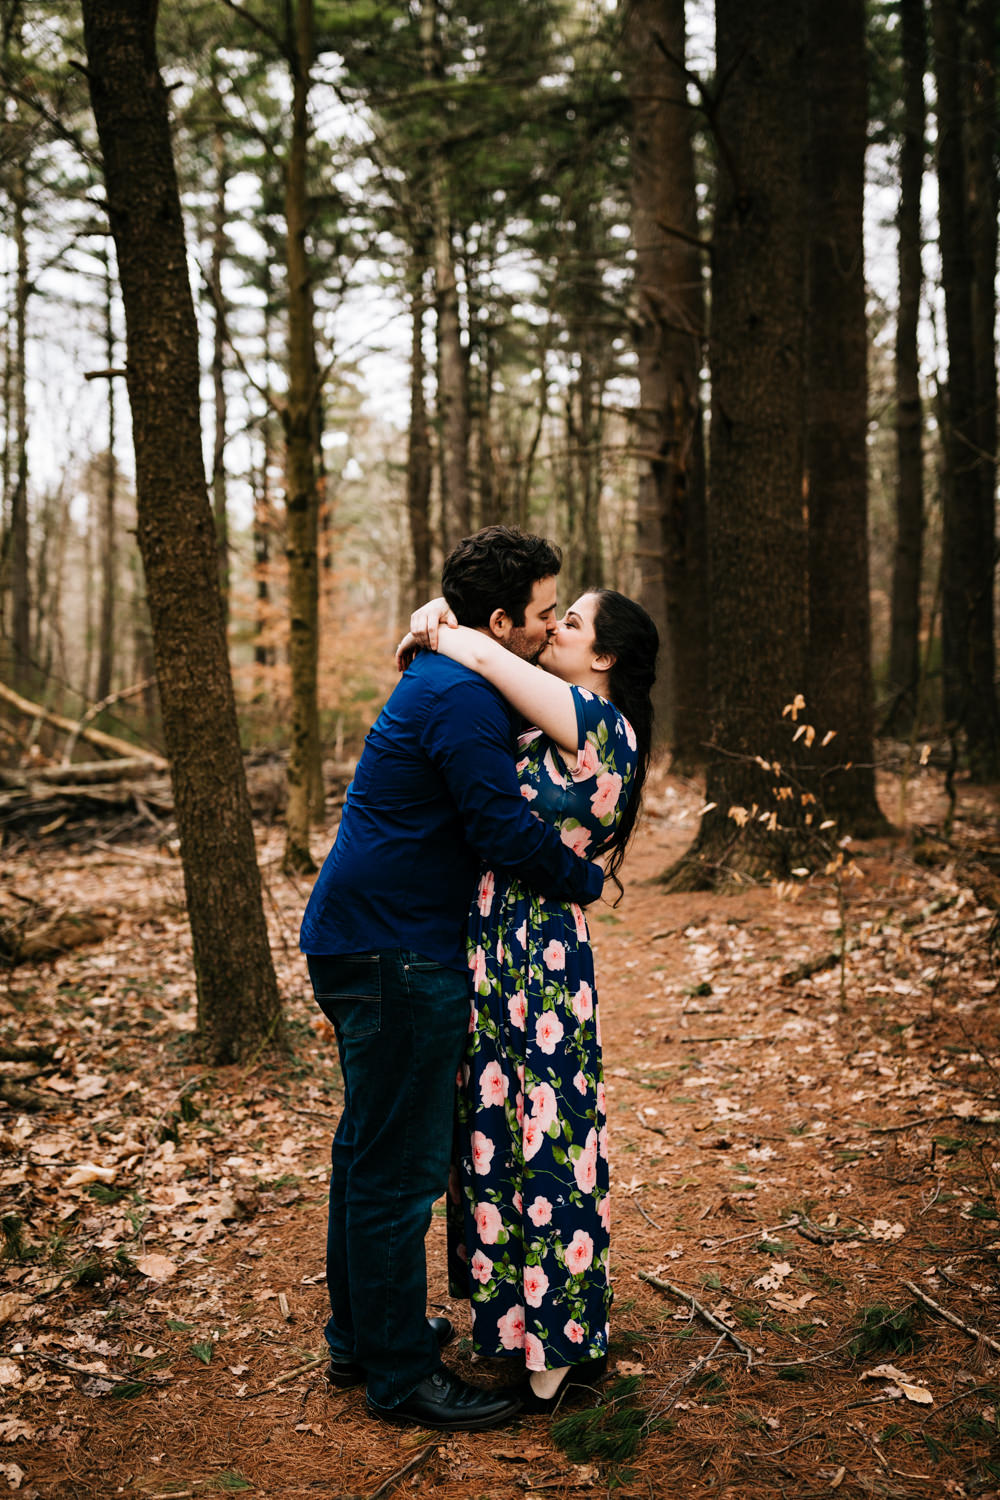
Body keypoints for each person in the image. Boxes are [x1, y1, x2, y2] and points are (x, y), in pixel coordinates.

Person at [299, 526, 606, 1433]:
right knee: (397, 1171)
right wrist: (593, 878)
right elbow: (502, 832)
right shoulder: (463, 699)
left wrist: (437, 624)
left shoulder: (448, 675)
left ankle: (362, 1336)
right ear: (502, 619)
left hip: (358, 937)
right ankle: (399, 1376)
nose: (554, 630)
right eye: (545, 614)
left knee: (366, 1150)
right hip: (394, 952)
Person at [399, 586, 658, 1413]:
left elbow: (479, 653)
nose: (557, 628)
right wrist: (447, 610)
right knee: (494, 1133)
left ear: (606, 657)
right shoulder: (553, 717)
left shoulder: (594, 719)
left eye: (572, 622)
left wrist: (447, 612)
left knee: (548, 1130)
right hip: (496, 942)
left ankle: (563, 1341)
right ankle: (514, 1328)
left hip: (539, 945)